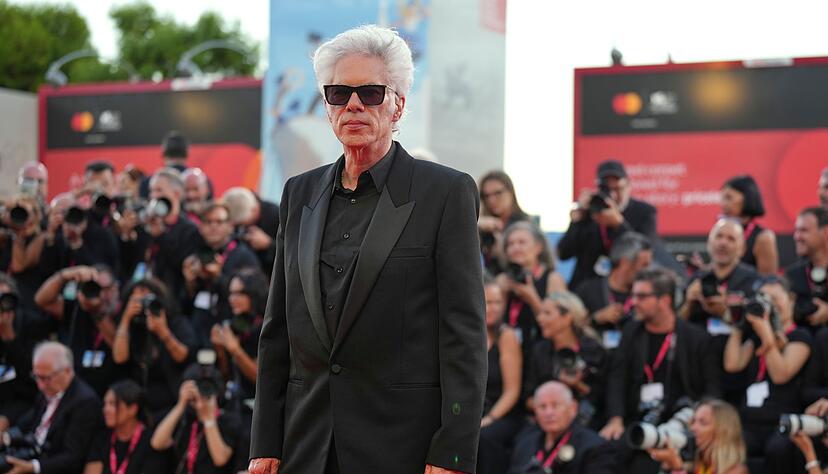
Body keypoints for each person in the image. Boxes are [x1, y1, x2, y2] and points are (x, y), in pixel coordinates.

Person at [248, 25, 487, 474]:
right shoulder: (298, 194)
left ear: (398, 104)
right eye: (339, 93)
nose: (353, 104)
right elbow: (277, 330)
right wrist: (265, 443)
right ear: (327, 106)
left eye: (371, 92)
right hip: (307, 446)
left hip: (403, 448)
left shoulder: (445, 192)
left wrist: (453, 451)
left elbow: (463, 334)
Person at [600, 267, 722, 474]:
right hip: (636, 418)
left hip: (680, 422)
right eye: (633, 295)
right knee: (604, 453)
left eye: (641, 296)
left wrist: (697, 422)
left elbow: (713, 390)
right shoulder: (631, 332)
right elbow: (617, 377)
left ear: (664, 300)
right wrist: (615, 419)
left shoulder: (696, 338)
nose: (634, 302)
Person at [723, 276, 811, 474]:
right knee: (730, 448)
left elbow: (781, 374)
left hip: (781, 421)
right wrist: (738, 324)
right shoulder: (756, 337)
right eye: (764, 298)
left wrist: (767, 333)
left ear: (791, 299)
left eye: (775, 298)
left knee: (777, 450)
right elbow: (732, 364)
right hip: (751, 421)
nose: (769, 304)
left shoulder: (800, 336)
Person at [1, 342, 102, 474]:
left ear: (67, 371)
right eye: (37, 377)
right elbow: (28, 422)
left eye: (46, 378)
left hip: (49, 466)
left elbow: (72, 457)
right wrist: (6, 436)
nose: (41, 386)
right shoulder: (48, 390)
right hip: (28, 452)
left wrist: (33, 467)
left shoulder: (85, 402)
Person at [558, 159, 657, 289]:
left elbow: (645, 254)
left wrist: (619, 224)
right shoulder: (590, 210)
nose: (613, 195)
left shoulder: (644, 212)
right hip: (586, 287)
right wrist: (578, 219)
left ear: (628, 186)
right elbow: (563, 253)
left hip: (624, 288)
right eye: (607, 189)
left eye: (618, 188)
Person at [112, 278, 197, 419]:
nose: (141, 304)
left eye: (146, 299)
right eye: (136, 300)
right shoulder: (132, 327)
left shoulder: (176, 322)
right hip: (139, 404)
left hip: (171, 401)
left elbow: (183, 356)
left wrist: (162, 331)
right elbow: (119, 358)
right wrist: (126, 319)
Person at [34, 264, 124, 397]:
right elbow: (42, 300)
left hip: (111, 391)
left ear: (115, 287)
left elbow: (116, 346)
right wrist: (65, 275)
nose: (101, 295)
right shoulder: (80, 309)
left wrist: (96, 312)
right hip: (77, 390)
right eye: (95, 289)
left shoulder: (123, 314)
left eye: (105, 289)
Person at [524, 291, 607, 429]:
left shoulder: (593, 350)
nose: (540, 319)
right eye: (540, 313)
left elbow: (603, 397)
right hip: (544, 423)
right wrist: (548, 404)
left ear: (567, 317)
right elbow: (527, 397)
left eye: (547, 313)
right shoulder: (539, 351)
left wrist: (578, 385)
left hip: (586, 422)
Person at [182, 203, 259, 346]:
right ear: (200, 227)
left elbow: (252, 302)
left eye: (219, 222)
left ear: (230, 226)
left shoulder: (243, 256)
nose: (213, 226)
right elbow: (184, 305)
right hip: (199, 332)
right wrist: (189, 282)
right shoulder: (196, 254)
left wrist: (218, 277)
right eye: (208, 222)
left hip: (231, 335)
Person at [119, 168, 200, 295]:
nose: (153, 196)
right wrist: (127, 235)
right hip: (138, 293)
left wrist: (160, 236)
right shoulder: (144, 225)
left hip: (170, 298)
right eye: (151, 191)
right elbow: (128, 263)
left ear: (177, 194)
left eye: (159, 190)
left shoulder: (190, 230)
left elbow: (181, 266)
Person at [150, 363, 242, 474]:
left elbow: (220, 459)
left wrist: (208, 418)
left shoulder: (228, 419)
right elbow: (157, 443)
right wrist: (181, 404)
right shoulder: (186, 418)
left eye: (207, 387)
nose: (202, 392)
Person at [508, 381, 616, 474]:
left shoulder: (595, 448)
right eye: (542, 407)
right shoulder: (524, 444)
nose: (548, 413)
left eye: (556, 405)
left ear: (573, 408)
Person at [497, 221, 566, 354]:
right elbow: (492, 324)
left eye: (522, 242)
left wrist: (531, 297)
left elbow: (560, 325)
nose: (515, 248)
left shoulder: (552, 279)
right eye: (510, 244)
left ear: (538, 247)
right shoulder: (502, 280)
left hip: (541, 353)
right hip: (508, 353)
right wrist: (502, 296)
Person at [574, 232, 652, 350]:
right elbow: (571, 329)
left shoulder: (649, 294)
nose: (648, 271)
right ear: (625, 263)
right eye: (644, 265)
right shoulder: (587, 290)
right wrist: (596, 319)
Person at [477, 276, 523, 474]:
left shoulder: (507, 337)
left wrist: (490, 418)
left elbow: (512, 391)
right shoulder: (468, 336)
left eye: (498, 303)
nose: (493, 308)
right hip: (473, 411)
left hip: (501, 413)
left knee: (484, 437)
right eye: (488, 302)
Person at [647, 399, 748, 474]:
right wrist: (666, 467)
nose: (693, 428)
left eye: (703, 423)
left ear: (723, 431)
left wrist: (677, 469)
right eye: (693, 421)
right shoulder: (692, 466)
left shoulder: (736, 471)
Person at [83, 380, 162, 474]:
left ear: (133, 409)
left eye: (112, 404)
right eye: (105, 404)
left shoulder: (151, 441)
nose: (105, 410)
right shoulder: (102, 439)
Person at [0, 274, 38, 427]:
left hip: (21, 400)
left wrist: (9, 337)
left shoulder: (30, 324)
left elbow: (31, 378)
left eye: (5, 299)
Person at [720, 175, 778, 275]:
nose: (723, 204)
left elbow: (768, 282)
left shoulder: (763, 237)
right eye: (723, 198)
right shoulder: (721, 229)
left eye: (729, 198)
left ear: (747, 198)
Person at [477, 171, 531, 276]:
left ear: (510, 192)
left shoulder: (525, 224)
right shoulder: (484, 226)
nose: (491, 200)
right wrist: (477, 225)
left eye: (498, 193)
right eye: (486, 196)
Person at [221, 187, 280, 275]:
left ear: (254, 210)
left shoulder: (277, 216)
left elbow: (292, 250)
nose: (241, 226)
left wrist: (269, 244)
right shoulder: (236, 213)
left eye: (242, 222)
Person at [786, 207, 828, 328]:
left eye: (803, 230)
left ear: (825, 232)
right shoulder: (792, 275)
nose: (797, 237)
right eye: (796, 231)